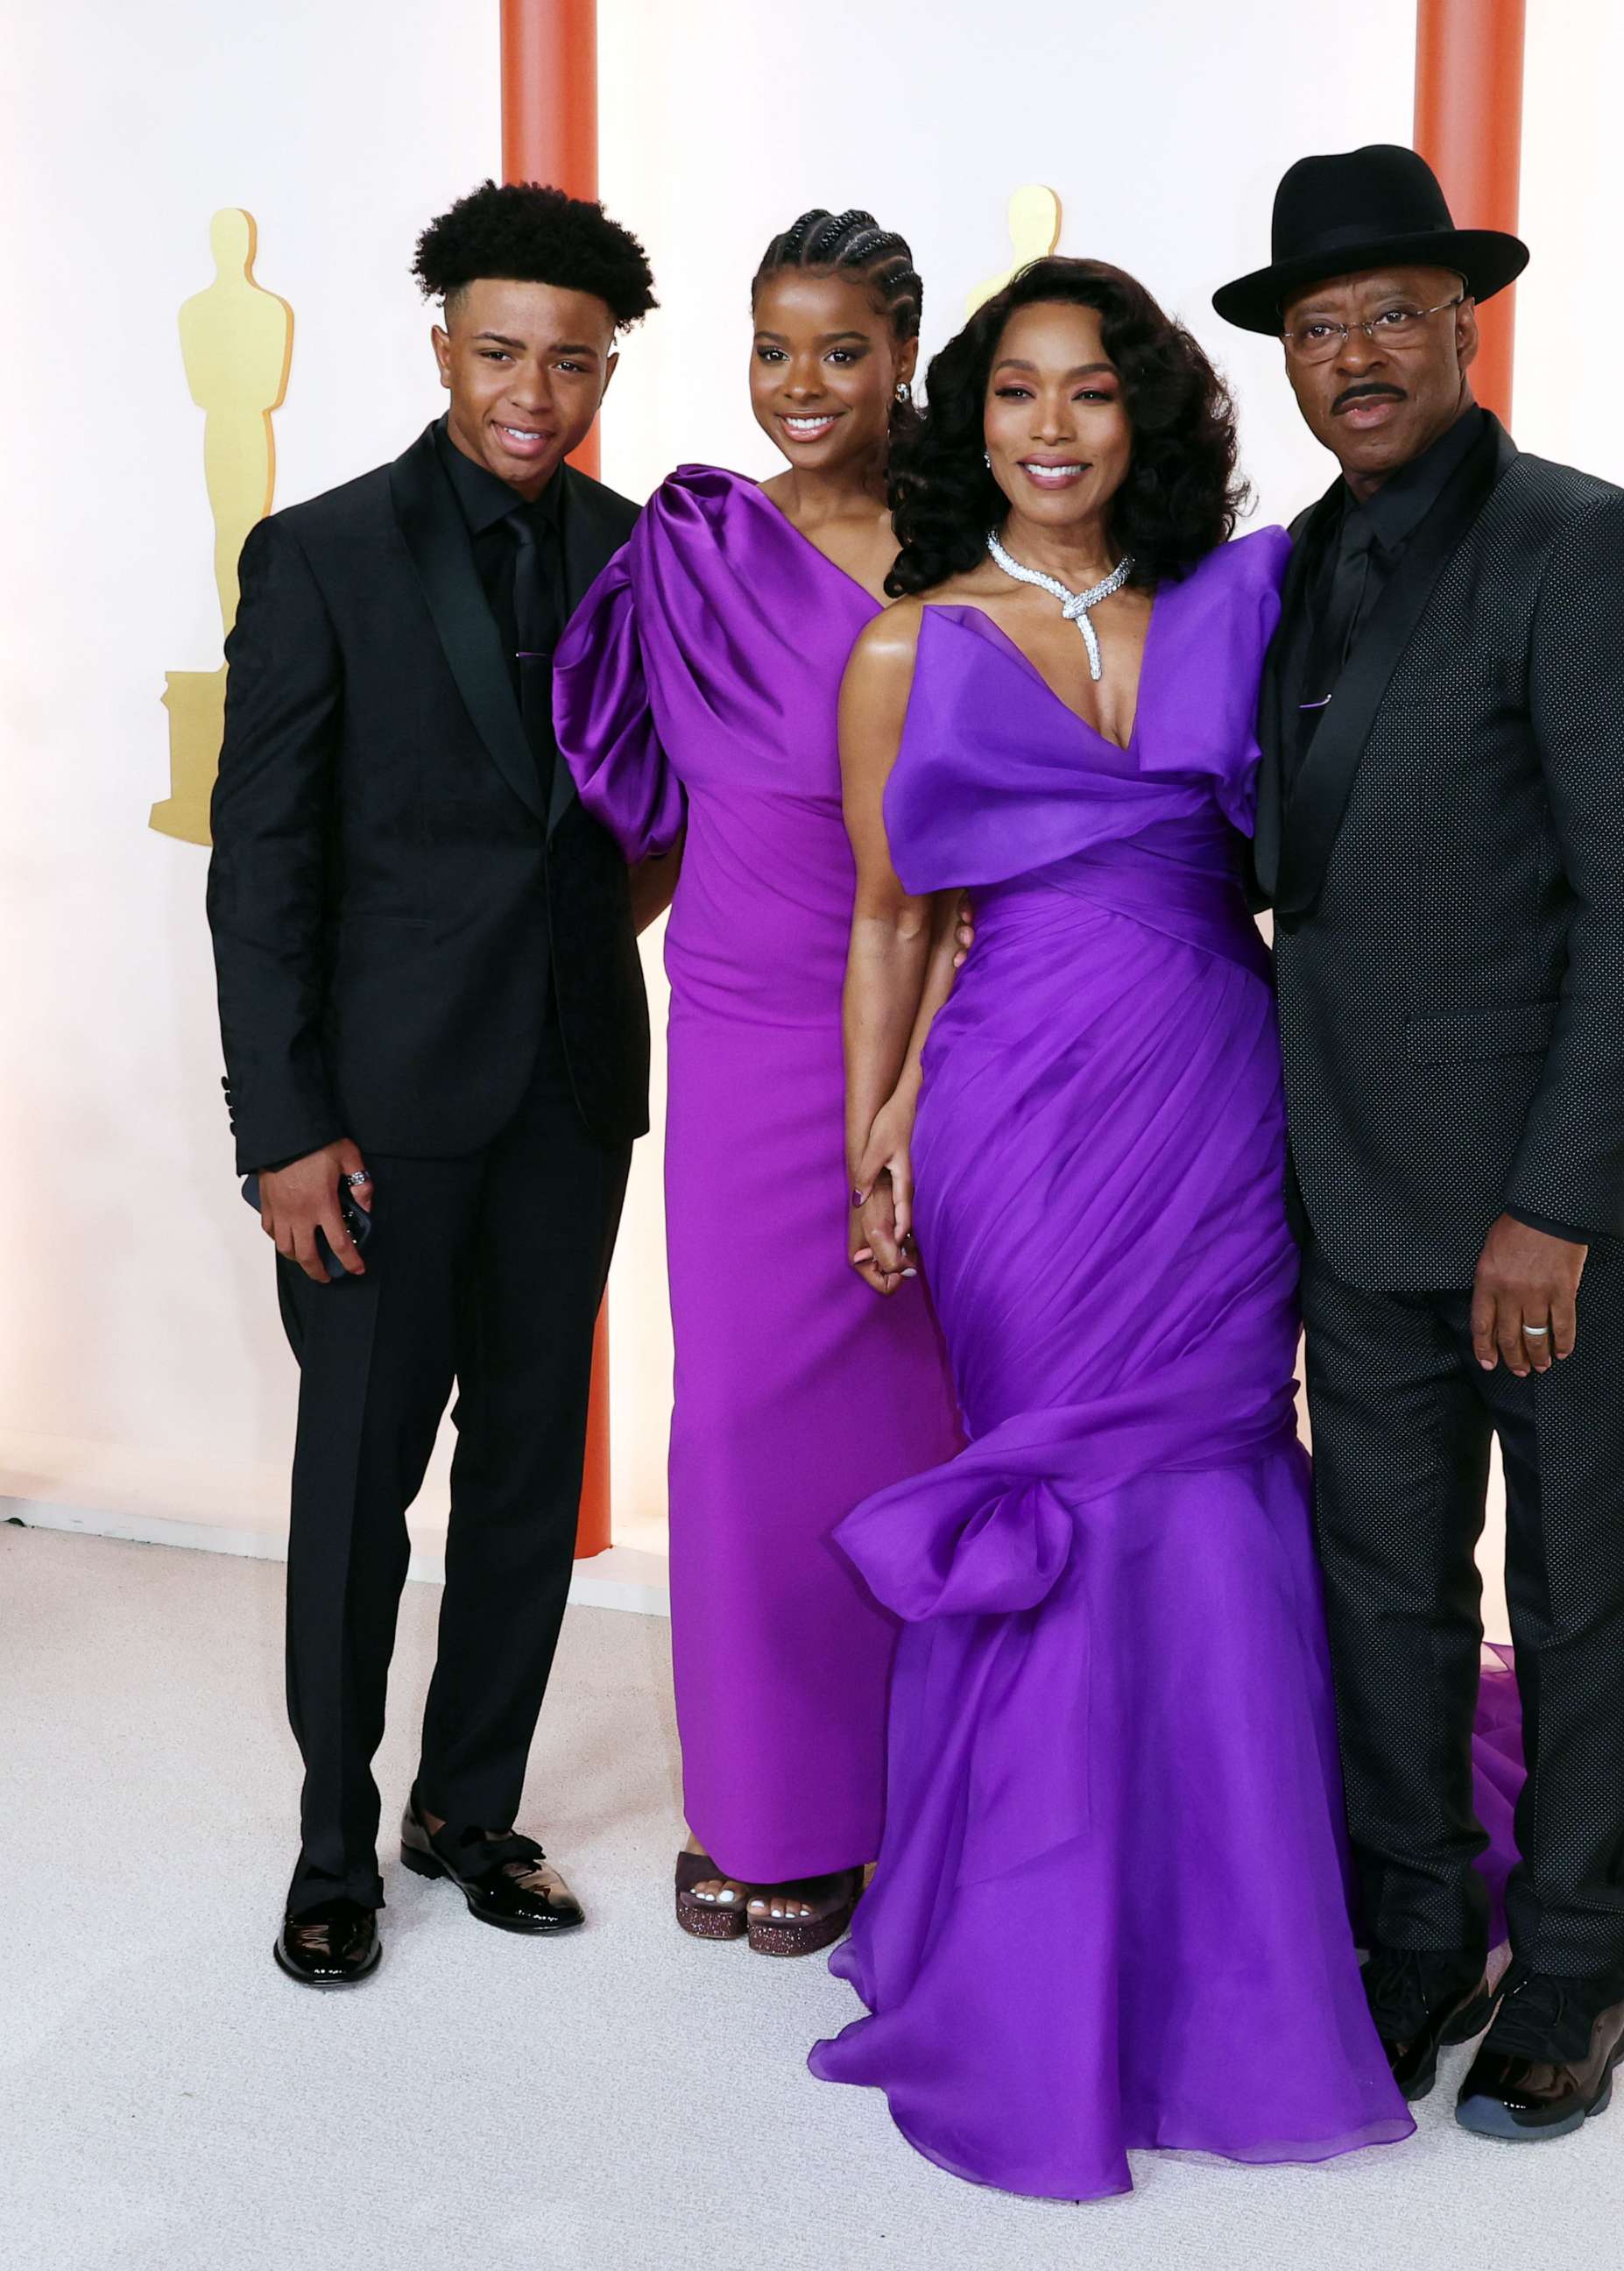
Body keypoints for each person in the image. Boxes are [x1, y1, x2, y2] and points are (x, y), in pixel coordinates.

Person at [810, 258, 1414, 2199]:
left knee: (1221, 1469)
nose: (1049, 429)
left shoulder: (1239, 605)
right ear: (967, 420)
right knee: (1067, 1484)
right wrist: (871, 1137)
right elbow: (894, 919)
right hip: (1011, 1118)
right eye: (1012, 393)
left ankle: (1237, 1941)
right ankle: (1026, 1943)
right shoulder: (909, 644)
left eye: (1087, 392)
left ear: (1144, 417)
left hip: (1218, 1094)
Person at [1213, 144, 1624, 2139]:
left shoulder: (1590, 549)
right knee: (1387, 1587)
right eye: (1316, 326)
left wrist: (1552, 1207)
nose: (1353, 354)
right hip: (1350, 1179)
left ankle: (1577, 1970)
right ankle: (1415, 1938)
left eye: (1388, 315)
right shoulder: (1289, 575)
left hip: (1557, 1194)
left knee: (1582, 1581)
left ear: (1464, 322)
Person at [208, 181, 660, 1988]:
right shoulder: (320, 554)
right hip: (374, 1119)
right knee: (357, 1487)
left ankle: (470, 1807)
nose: (533, 392)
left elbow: (654, 812)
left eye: (571, 361)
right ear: (440, 346)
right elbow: (261, 872)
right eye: (499, 353)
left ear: (606, 364)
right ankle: (333, 1840)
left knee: (532, 1477)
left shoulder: (643, 555)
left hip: (567, 1095)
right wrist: (282, 1131)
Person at [553, 209, 963, 1955]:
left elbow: (982, 841)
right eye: (773, 350)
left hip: (920, 1023)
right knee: (725, 1427)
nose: (802, 386)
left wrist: (924, 1086)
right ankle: (759, 1805)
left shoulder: (969, 546)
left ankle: (905, 1800)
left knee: (907, 1419)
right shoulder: (695, 546)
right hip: (725, 1022)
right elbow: (643, 823)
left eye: (842, 352)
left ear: (904, 360)